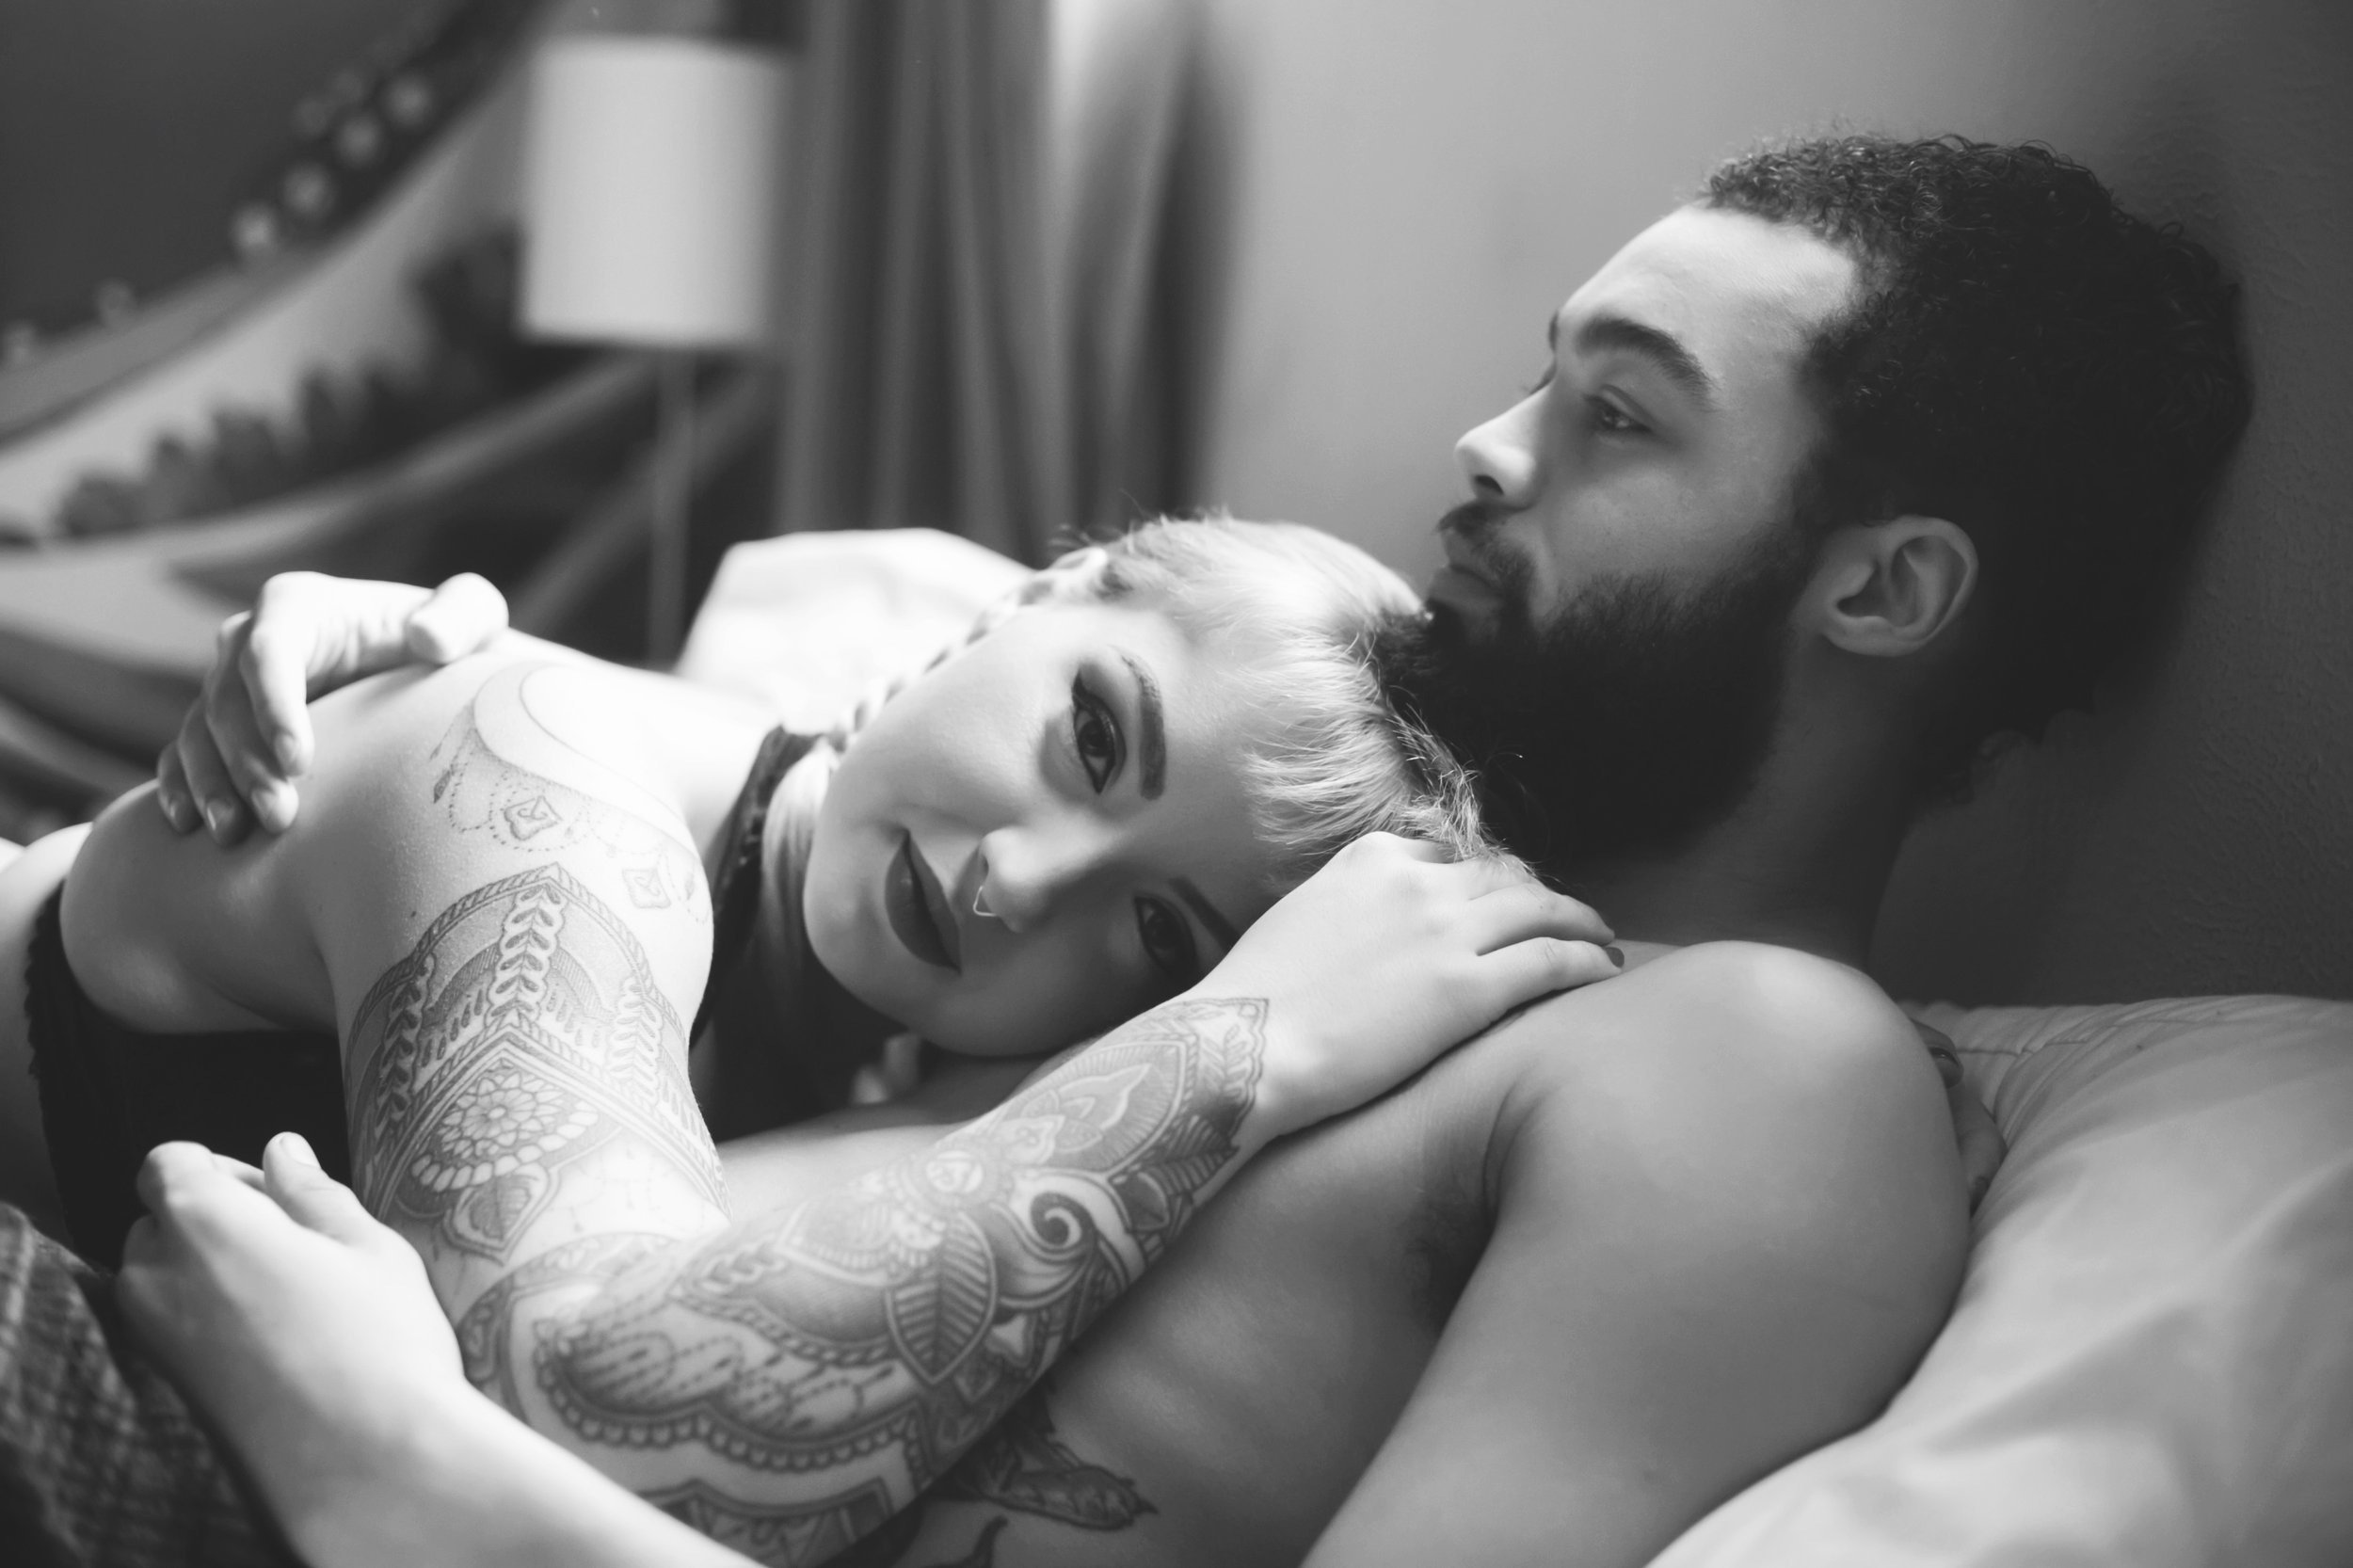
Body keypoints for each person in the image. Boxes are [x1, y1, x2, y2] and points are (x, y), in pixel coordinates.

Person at [69, 131, 2253, 1567]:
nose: (1484, 451)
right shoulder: (1286, 905)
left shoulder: (1752, 1069)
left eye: (1616, 412)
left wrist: (412, 1474)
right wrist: (452, 700)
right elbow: (805, 828)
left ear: (1879, 590)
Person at [0, 516, 1619, 1565]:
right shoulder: (553, 780)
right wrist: (1233, 1045)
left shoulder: (901, 1049)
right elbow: (573, 1399)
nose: (1014, 882)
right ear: (1032, 596)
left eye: (1157, 933)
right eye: (1092, 733)